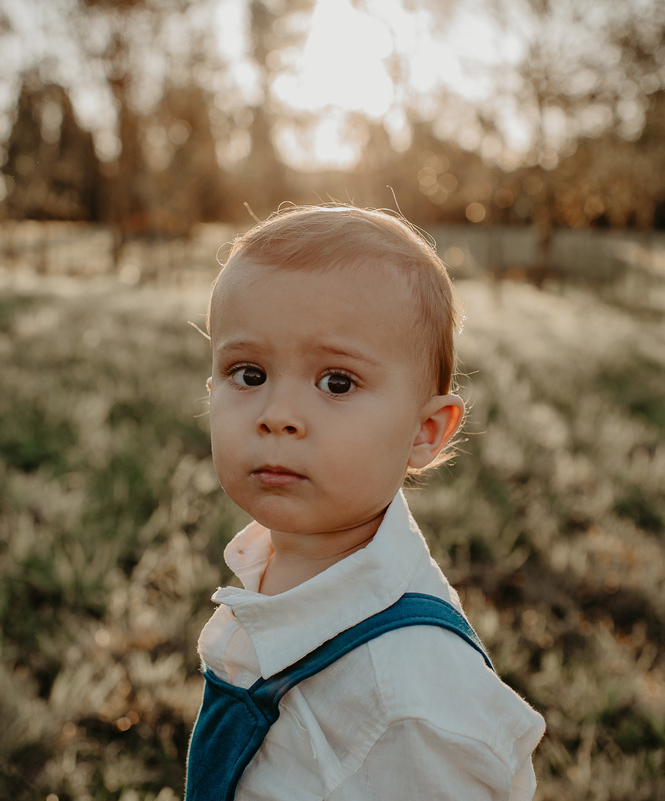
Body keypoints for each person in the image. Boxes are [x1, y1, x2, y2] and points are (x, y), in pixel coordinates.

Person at [186, 205, 545, 800]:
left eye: (337, 382)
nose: (278, 415)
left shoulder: (409, 705)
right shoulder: (276, 562)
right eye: (249, 375)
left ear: (424, 432)